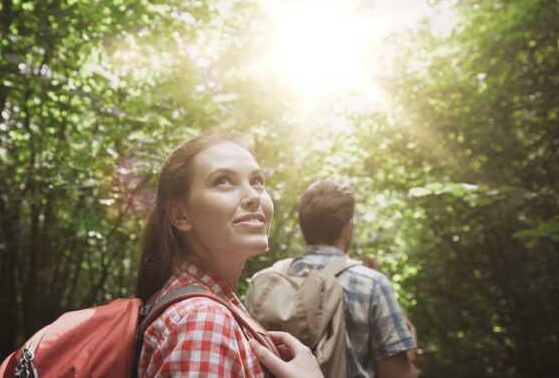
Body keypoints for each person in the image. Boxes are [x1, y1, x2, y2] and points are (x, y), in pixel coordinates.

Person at [135, 132, 323, 377]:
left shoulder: (199, 306)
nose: (254, 196)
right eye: (223, 181)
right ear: (180, 215)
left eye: (257, 181)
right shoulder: (203, 320)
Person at [254, 179, 417, 378]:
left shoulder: (264, 280)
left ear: (304, 226)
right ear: (347, 227)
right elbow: (398, 375)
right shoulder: (372, 283)